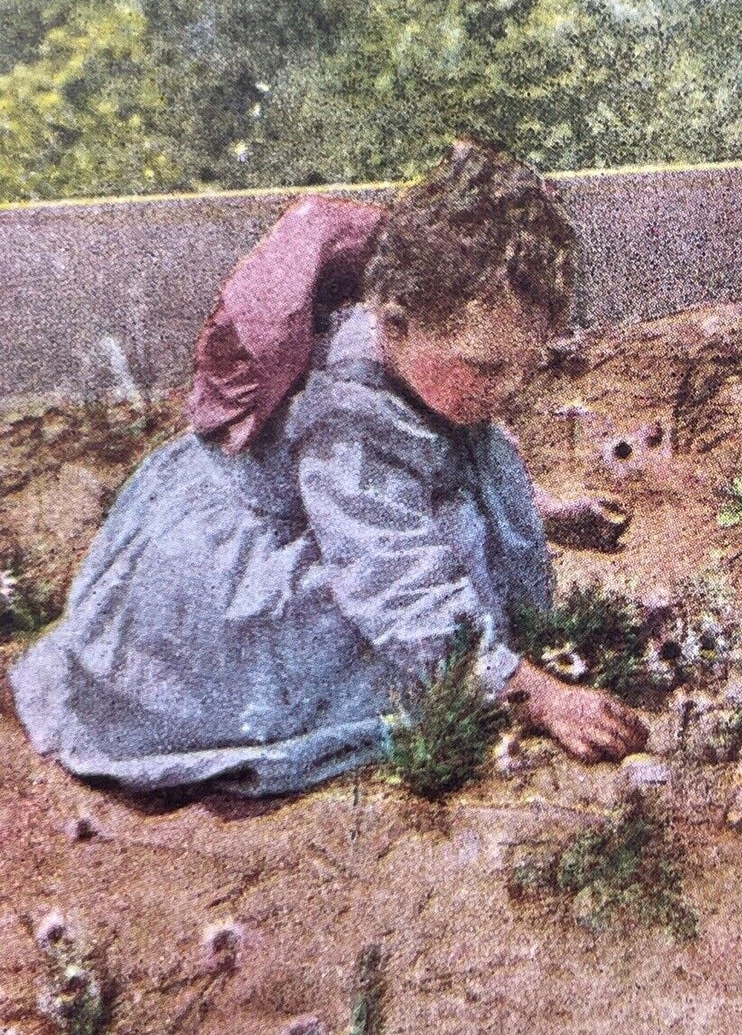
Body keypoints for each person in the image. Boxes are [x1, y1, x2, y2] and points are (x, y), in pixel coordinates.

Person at [8, 141, 647, 795]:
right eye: (485, 367)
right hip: (251, 573)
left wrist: (540, 512)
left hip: (351, 520)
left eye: (525, 364)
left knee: (453, 522)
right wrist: (534, 692)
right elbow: (392, 574)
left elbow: (439, 465)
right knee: (396, 624)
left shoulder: (427, 367)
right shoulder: (351, 422)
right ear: (395, 322)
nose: (507, 388)